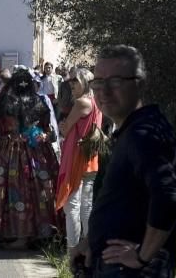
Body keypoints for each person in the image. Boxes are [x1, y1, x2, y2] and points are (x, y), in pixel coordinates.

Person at [72, 46, 176, 278]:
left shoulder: (142, 134)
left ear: (140, 84)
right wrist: (90, 240)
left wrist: (142, 255)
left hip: (128, 270)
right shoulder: (134, 129)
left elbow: (169, 194)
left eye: (115, 82)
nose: (104, 91)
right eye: (99, 82)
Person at [0, 68, 58, 248]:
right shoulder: (39, 102)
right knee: (38, 192)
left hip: (8, 152)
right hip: (37, 154)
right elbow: (49, 132)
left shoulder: (4, 102)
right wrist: (42, 137)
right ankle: (41, 233)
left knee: (11, 192)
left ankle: (16, 235)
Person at [55, 66, 102, 260]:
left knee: (72, 205)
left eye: (75, 81)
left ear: (85, 82)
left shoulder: (82, 102)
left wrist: (62, 126)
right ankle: (88, 249)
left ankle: (72, 252)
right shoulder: (96, 101)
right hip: (90, 158)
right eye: (70, 82)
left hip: (76, 158)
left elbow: (65, 130)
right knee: (86, 205)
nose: (71, 85)